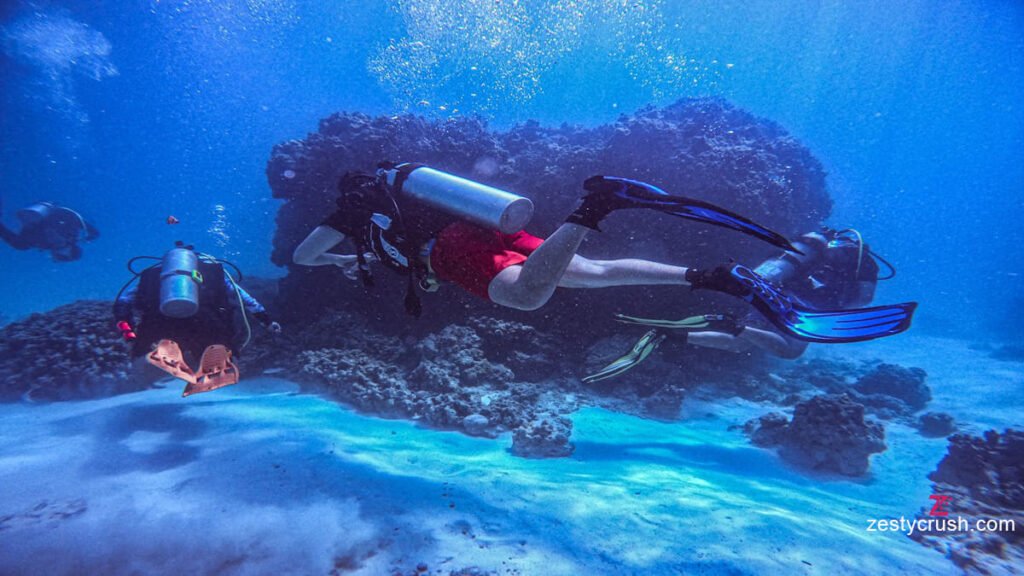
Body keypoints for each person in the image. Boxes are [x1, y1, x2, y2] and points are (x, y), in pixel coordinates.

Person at [294, 163, 914, 343]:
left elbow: (302, 256)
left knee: (527, 297)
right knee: (587, 274)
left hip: (448, 248)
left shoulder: (353, 212)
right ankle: (715, 277)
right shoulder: (411, 197)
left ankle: (596, 208)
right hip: (475, 228)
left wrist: (340, 253)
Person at [584, 228, 898, 382]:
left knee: (738, 345)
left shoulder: (814, 250)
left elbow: (778, 265)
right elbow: (861, 302)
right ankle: (728, 323)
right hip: (798, 307)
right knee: (790, 350)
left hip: (769, 290)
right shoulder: (864, 266)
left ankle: (672, 334)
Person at [113, 242, 281, 396]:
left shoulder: (153, 275)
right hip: (205, 324)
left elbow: (123, 302)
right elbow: (245, 299)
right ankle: (215, 364)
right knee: (216, 342)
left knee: (149, 341)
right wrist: (266, 321)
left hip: (160, 323)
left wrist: (127, 331)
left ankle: (148, 358)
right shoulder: (214, 272)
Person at [0, 198, 100, 261]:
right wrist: (89, 236)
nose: (57, 249)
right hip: (46, 220)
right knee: (21, 245)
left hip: (37, 224)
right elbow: (77, 220)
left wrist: (90, 236)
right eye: (63, 251)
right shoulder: (71, 232)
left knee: (21, 245)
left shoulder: (46, 243)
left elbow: (21, 241)